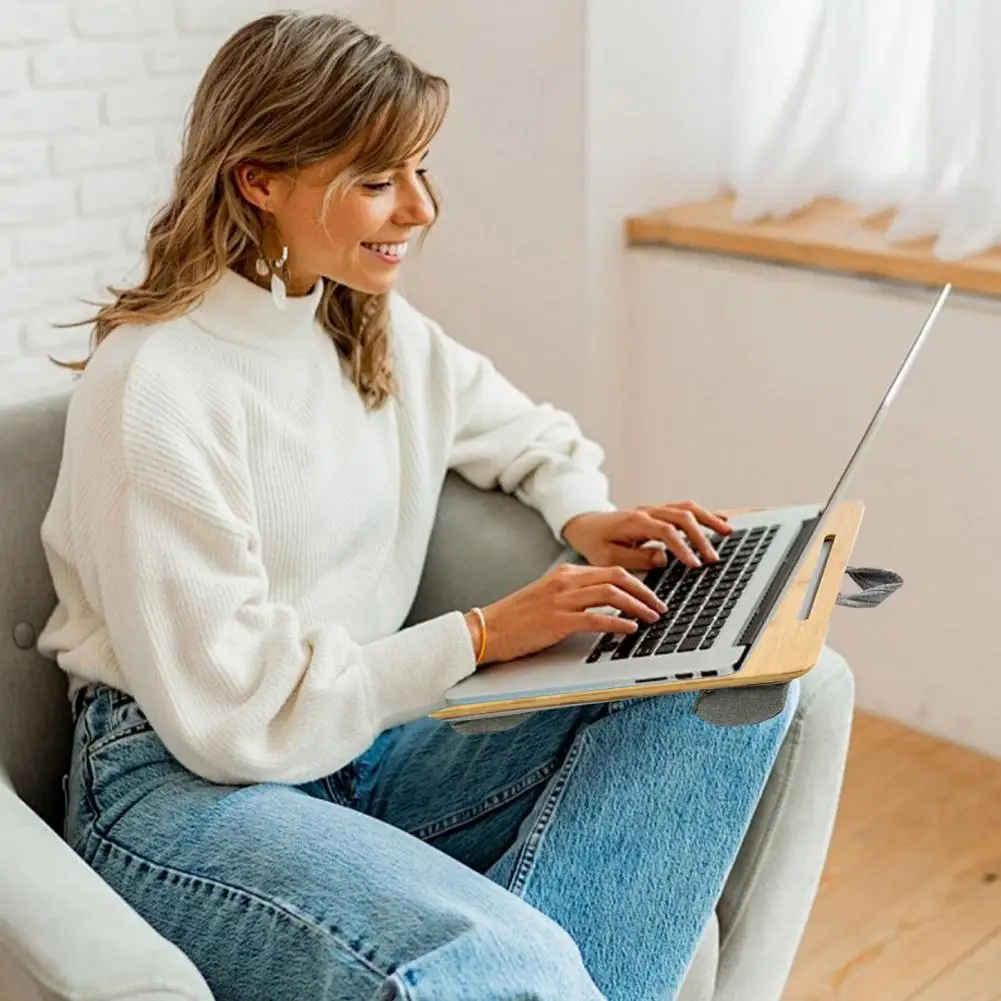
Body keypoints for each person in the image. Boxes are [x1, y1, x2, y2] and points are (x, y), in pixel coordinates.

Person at [40, 12, 797, 1001]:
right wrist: (481, 633)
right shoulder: (158, 384)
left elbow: (522, 427)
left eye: (422, 169)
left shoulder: (362, 320)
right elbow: (228, 712)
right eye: (375, 179)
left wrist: (584, 512)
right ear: (256, 179)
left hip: (363, 742)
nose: (420, 208)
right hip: (184, 785)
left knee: (722, 683)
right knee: (499, 964)